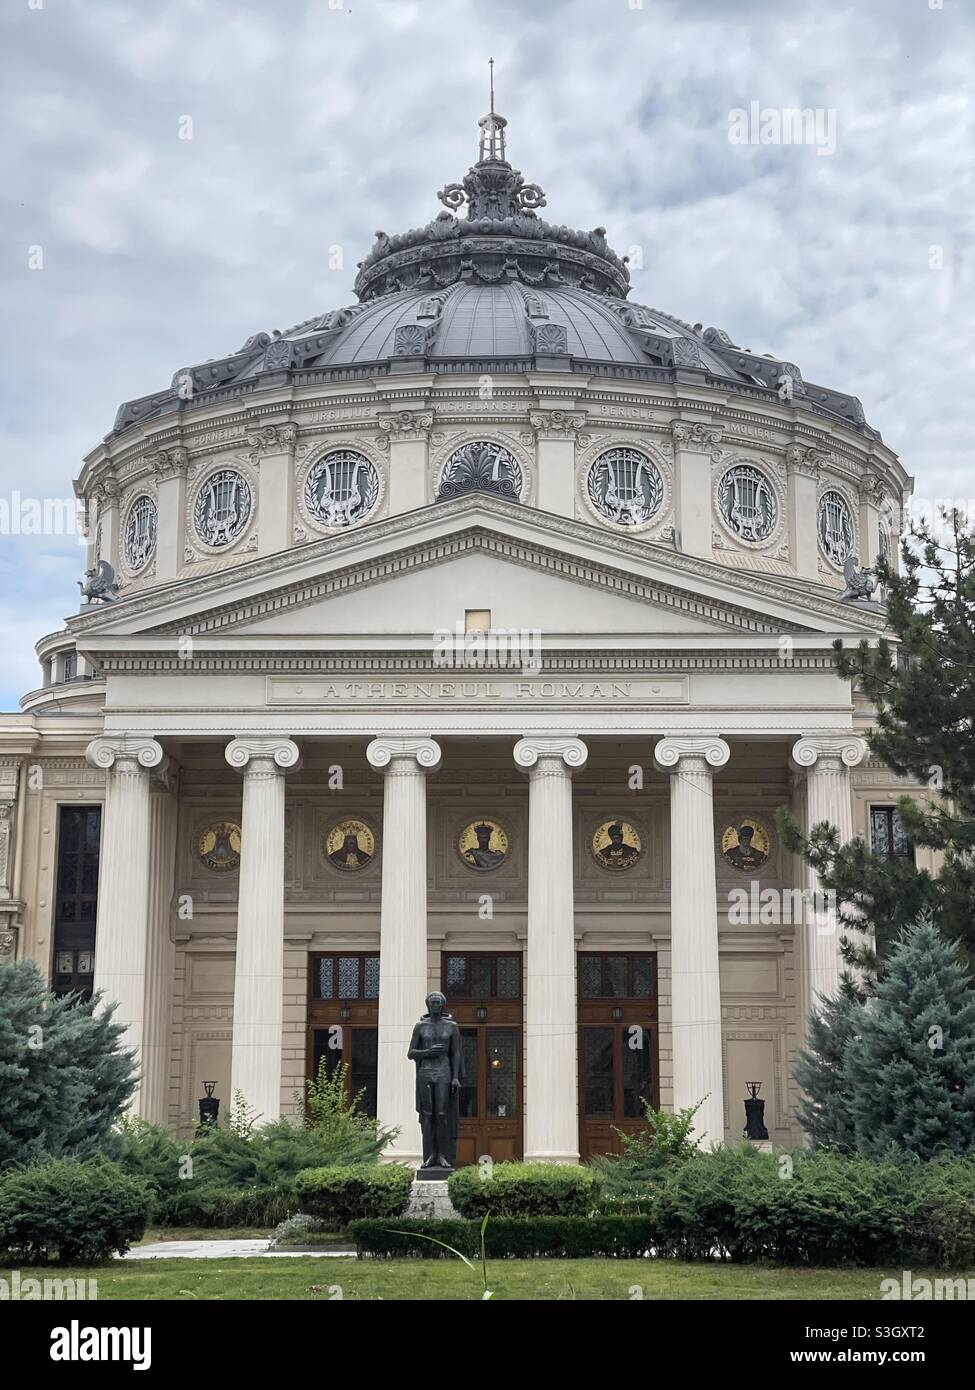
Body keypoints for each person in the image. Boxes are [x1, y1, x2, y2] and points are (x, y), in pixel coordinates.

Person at [407, 992, 462, 1169]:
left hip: (444, 1072)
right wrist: (427, 1052)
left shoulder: (451, 1027)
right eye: (432, 1003)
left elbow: (456, 1053)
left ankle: (443, 1156)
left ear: (443, 1005)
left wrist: (455, 1077)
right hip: (425, 1072)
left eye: (438, 1002)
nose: (435, 1005)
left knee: (442, 1114)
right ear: (428, 1005)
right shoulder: (420, 1027)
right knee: (428, 1116)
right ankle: (430, 1155)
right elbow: (411, 1053)